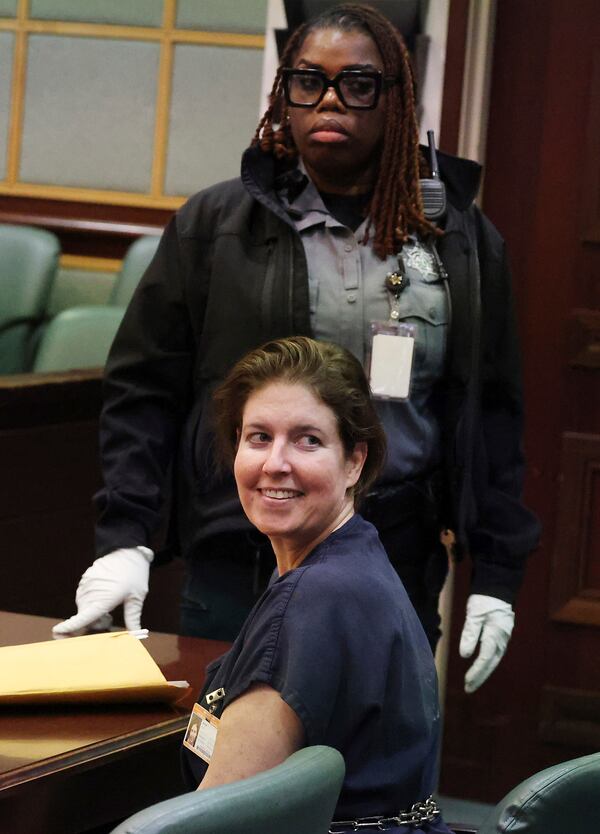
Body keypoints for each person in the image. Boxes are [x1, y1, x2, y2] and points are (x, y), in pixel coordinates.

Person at [54, 3, 540, 694]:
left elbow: (492, 415)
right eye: (308, 81)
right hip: (240, 555)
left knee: (367, 776)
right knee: (225, 773)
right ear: (285, 95)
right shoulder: (214, 227)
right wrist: (125, 537)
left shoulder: (460, 241)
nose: (330, 101)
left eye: (358, 84)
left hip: (393, 557)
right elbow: (142, 396)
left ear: (395, 100)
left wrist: (496, 573)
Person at [181, 335, 452, 834]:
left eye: (308, 440)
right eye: (259, 437)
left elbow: (217, 824)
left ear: (354, 462)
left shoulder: (316, 599)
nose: (275, 464)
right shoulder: (355, 560)